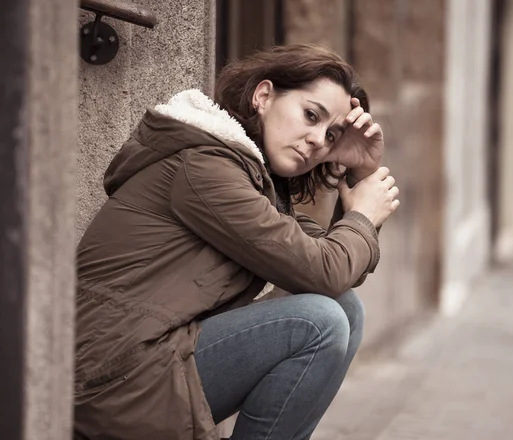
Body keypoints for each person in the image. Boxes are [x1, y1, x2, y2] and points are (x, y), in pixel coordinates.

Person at [73, 44, 399, 440]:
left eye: (331, 135)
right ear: (263, 96)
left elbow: (332, 268)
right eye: (310, 115)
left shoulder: (250, 179)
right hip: (110, 374)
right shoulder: (205, 168)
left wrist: (358, 175)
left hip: (152, 356)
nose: (316, 140)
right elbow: (324, 271)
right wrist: (362, 214)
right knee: (319, 322)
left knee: (343, 309)